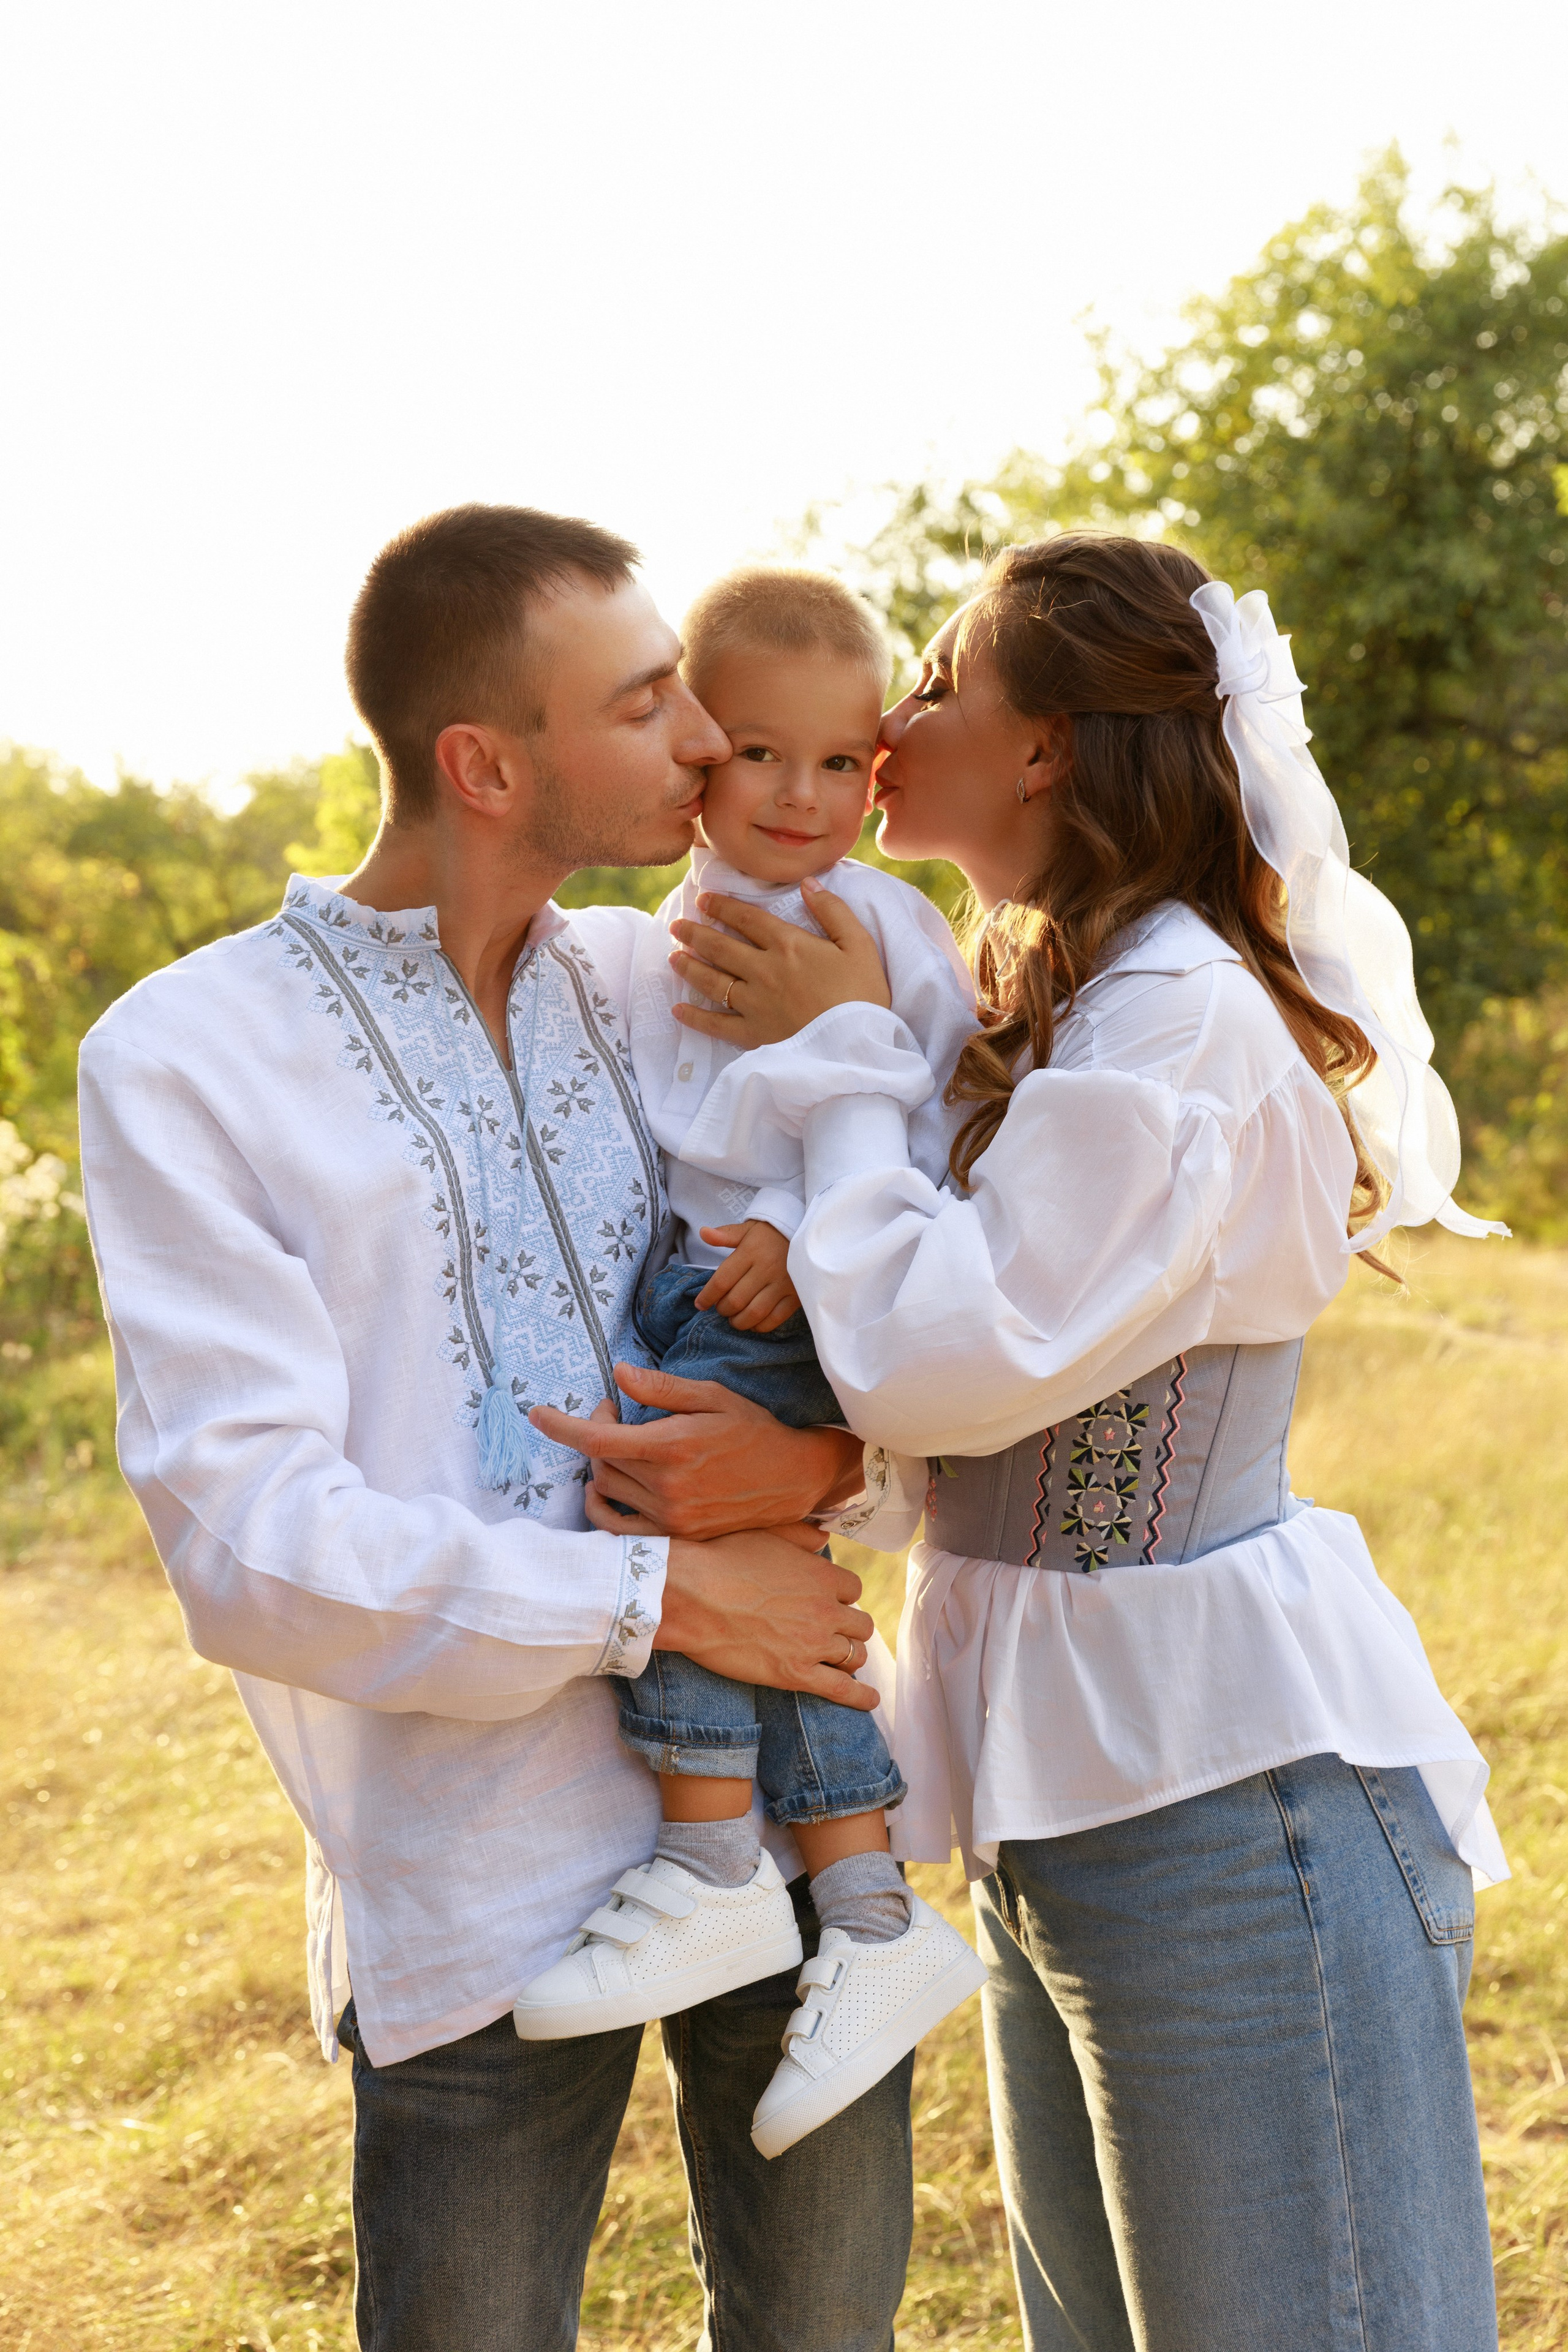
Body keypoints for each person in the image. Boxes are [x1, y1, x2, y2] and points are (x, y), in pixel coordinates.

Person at [583, 535, 1507, 2350]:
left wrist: (845, 1063)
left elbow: (947, 1351)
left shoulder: (1181, 1020)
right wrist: (822, 1467)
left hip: (1232, 1811)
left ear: (1048, 749)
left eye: (935, 681)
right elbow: (993, 1387)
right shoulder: (1061, 994)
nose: (889, 721)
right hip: (1056, 1816)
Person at [76, 504, 918, 2352]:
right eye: (649, 707)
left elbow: (894, 1295)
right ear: (484, 761)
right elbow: (253, 1543)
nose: (708, 744)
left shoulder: (667, 975)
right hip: (472, 1865)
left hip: (801, 1831)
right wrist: (665, 1599)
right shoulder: (189, 1055)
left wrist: (813, 1472)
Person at [513, 566, 984, 2160]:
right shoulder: (645, 944)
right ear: (698, 752)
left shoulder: (892, 929)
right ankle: (862, 1903)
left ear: (880, 771)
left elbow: (933, 1128)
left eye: (842, 763)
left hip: (805, 1294)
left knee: (683, 1513)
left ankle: (719, 1855)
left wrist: (795, 1216)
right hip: (692, 1284)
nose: (803, 796)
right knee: (717, 1539)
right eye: (761, 755)